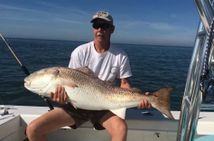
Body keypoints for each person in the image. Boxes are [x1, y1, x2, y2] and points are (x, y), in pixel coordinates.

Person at [26, 11, 151, 141]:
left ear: (112, 29)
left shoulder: (120, 55)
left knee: (121, 129)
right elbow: (71, 86)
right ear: (93, 29)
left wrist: (140, 98)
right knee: (33, 129)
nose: (100, 29)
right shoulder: (80, 52)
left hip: (104, 104)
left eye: (104, 26)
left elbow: (124, 83)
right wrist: (61, 99)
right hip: (76, 106)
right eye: (96, 25)